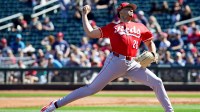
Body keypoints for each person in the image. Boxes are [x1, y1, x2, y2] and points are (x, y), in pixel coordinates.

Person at [41, 2, 174, 112]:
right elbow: (90, 33)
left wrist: (154, 53)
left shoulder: (140, 26)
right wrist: (84, 15)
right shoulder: (113, 27)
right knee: (91, 89)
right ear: (120, 11)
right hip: (115, 61)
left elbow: (150, 43)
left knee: (157, 82)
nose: (132, 11)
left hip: (133, 64)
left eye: (133, 10)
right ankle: (55, 105)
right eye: (129, 9)